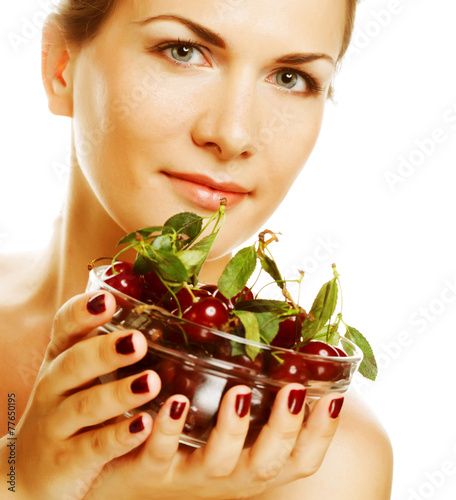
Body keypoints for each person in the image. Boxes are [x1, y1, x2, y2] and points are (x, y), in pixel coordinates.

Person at [0, 0, 393, 498]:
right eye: (183, 51)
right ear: (60, 66)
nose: (232, 135)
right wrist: (20, 482)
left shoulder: (315, 465)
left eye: (291, 78)